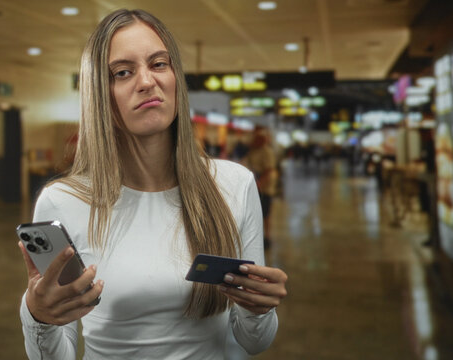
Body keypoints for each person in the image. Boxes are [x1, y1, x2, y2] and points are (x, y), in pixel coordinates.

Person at [18, 9, 288, 359]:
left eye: (159, 64)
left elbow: (255, 341)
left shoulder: (233, 185)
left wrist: (259, 309)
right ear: (100, 94)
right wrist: (39, 316)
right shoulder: (61, 201)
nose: (147, 81)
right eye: (123, 72)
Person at [244, 127, 278, 250]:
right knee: (254, 213)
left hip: (265, 187)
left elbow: (269, 170)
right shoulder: (253, 150)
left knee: (266, 214)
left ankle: (267, 237)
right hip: (256, 183)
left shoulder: (267, 151)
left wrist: (259, 185)